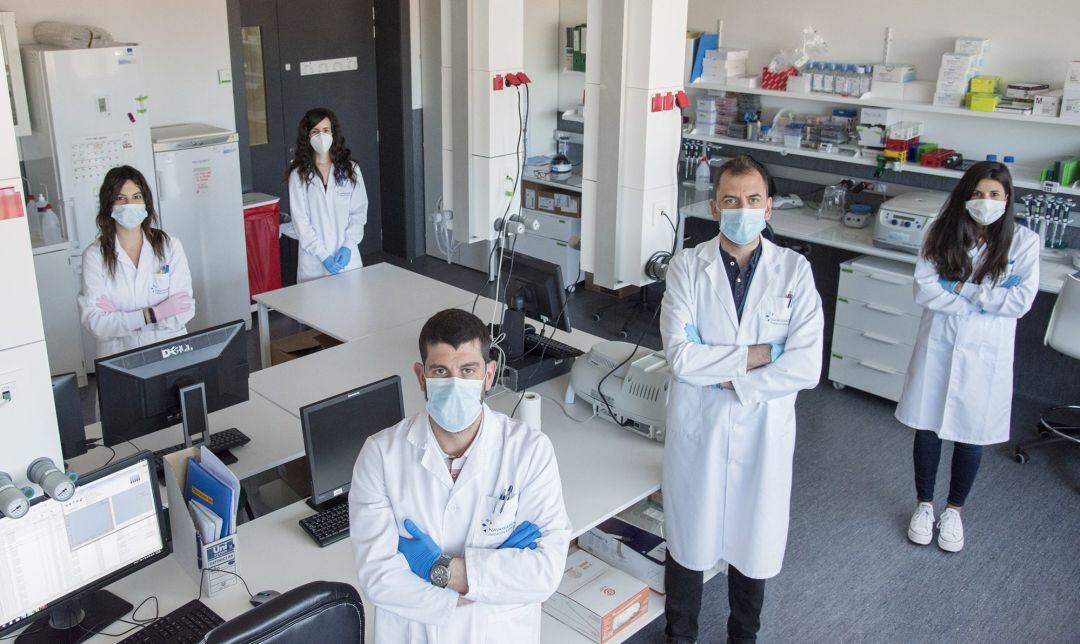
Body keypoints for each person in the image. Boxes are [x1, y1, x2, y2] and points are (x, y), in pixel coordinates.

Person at [659, 155, 824, 644]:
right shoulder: (688, 268)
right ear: (714, 206)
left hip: (763, 431)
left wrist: (727, 375)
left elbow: (805, 367)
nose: (742, 209)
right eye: (731, 200)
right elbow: (681, 358)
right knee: (688, 540)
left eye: (753, 200)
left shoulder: (794, 273)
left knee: (755, 542)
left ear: (769, 208)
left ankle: (743, 636)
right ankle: (679, 635)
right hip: (701, 428)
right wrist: (760, 355)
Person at [349, 309, 571, 643]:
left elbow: (544, 573)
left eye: (468, 370)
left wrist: (440, 570)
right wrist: (483, 580)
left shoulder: (530, 451)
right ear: (421, 377)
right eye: (441, 371)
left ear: (489, 375)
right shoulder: (381, 455)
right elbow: (377, 577)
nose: (455, 384)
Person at [896, 161, 1039, 553]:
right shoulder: (939, 233)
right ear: (964, 196)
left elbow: (1020, 302)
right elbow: (925, 291)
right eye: (977, 194)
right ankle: (924, 505)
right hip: (939, 343)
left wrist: (961, 288)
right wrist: (988, 298)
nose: (985, 201)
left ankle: (954, 510)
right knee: (927, 427)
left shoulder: (1024, 243)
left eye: (994, 195)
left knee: (969, 433)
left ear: (1007, 199)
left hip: (985, 354)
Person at [78, 165, 194, 358]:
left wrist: (123, 319)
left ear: (146, 203)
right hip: (120, 356)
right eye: (120, 198)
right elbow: (97, 324)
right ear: (109, 205)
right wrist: (155, 314)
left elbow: (183, 312)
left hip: (168, 351)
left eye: (136, 197)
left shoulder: (169, 246)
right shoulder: (94, 256)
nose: (129, 204)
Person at [286, 107, 368, 282]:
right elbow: (301, 222)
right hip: (313, 264)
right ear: (307, 137)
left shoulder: (350, 170)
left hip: (348, 262)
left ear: (333, 133)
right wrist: (322, 255)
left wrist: (348, 246)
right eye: (315, 132)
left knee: (353, 308)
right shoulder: (298, 175)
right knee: (316, 309)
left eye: (325, 130)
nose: (321, 136)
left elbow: (359, 214)